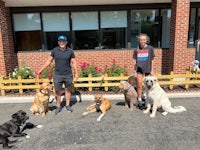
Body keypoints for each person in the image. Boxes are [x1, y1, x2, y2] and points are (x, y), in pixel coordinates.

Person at [37, 35, 78, 115]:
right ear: (58, 42)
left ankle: (67, 105)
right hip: (58, 75)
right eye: (60, 41)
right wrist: (40, 70)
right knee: (57, 92)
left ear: (66, 42)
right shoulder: (54, 51)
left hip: (68, 74)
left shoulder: (70, 51)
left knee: (68, 90)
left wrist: (76, 73)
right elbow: (48, 61)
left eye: (63, 41)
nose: (62, 43)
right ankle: (58, 106)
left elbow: (74, 62)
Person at [133, 33, 155, 108]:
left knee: (148, 85)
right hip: (139, 69)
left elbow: (152, 60)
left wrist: (152, 70)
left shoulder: (150, 48)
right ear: (139, 40)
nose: (143, 41)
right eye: (141, 40)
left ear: (146, 40)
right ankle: (139, 99)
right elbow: (135, 61)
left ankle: (146, 98)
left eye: (144, 40)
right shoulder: (136, 50)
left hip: (147, 68)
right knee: (139, 84)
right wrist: (135, 71)